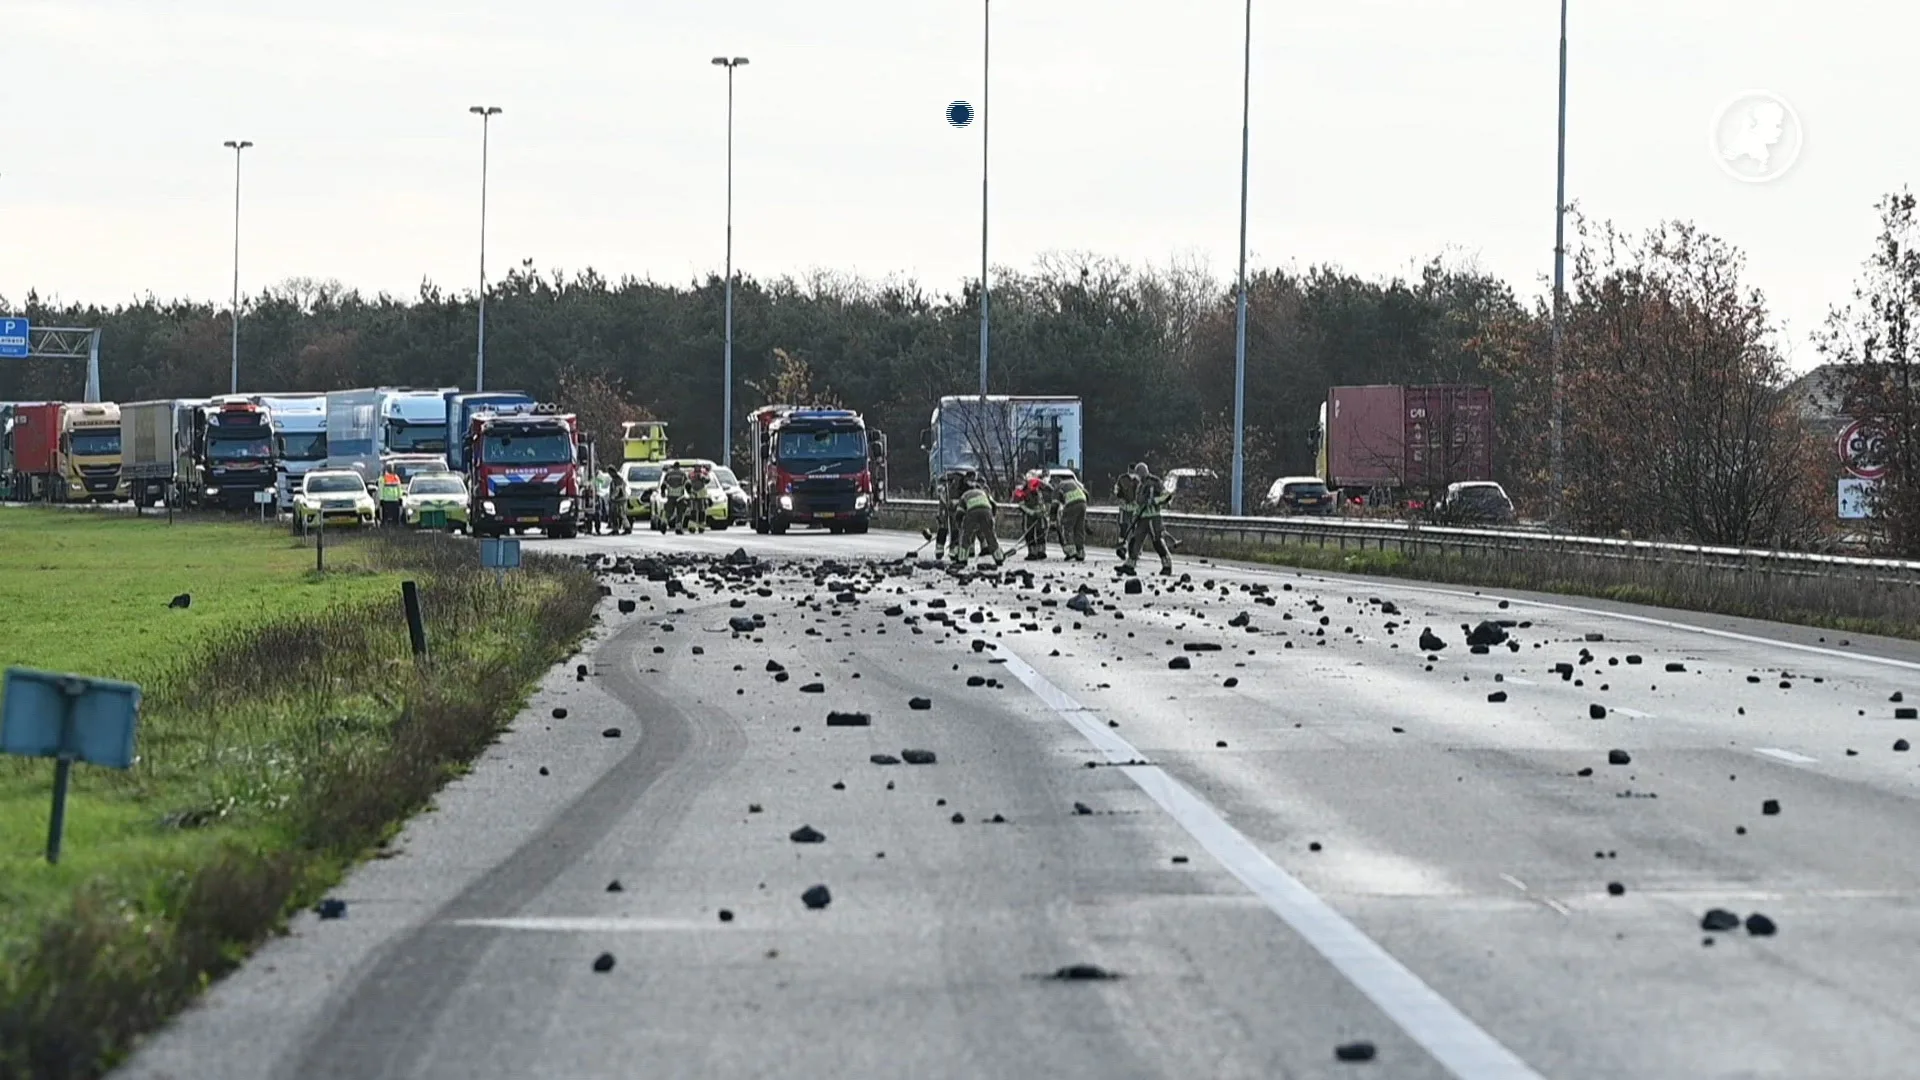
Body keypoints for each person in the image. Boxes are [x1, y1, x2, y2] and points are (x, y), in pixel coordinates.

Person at [1121, 461, 1173, 576]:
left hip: (1153, 517)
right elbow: (1139, 503)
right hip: (1142, 518)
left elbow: (1167, 495)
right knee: (1135, 540)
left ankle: (1167, 564)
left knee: (1157, 541)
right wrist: (1136, 514)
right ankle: (1130, 564)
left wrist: (1155, 501)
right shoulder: (1140, 485)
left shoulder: (1155, 482)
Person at [950, 475, 1005, 568]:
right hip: (987, 511)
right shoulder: (983, 493)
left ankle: (962, 559)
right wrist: (992, 518)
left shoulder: (964, 496)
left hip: (972, 512)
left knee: (966, 536)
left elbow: (959, 513)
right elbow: (994, 505)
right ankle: (999, 558)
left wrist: (960, 525)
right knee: (991, 535)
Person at [1054, 470, 1089, 561]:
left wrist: (1053, 520)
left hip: (1071, 504)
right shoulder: (1073, 482)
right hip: (1083, 502)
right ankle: (1080, 552)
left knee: (1067, 528)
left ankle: (1071, 551)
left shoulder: (1058, 487)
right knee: (1079, 528)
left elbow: (1055, 504)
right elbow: (1086, 493)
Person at [1016, 475, 1051, 560]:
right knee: (1029, 533)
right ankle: (1033, 552)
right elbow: (1022, 505)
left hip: (1039, 514)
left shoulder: (1039, 490)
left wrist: (1043, 512)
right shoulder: (1021, 492)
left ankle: (1041, 551)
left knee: (1040, 532)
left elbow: (1043, 502)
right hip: (1029, 515)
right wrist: (1032, 513)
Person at [1112, 469, 1140, 559]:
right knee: (1131, 529)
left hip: (1126, 507)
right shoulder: (1138, 480)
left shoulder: (1122, 478)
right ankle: (1130, 549)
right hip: (1132, 507)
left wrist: (1119, 497)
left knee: (1125, 528)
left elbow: (1116, 491)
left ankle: (1126, 548)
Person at [660, 462, 690, 532]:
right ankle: (678, 527)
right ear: (679, 467)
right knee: (680, 512)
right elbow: (688, 484)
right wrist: (689, 492)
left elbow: (663, 484)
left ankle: (664, 522)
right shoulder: (682, 474)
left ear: (673, 467)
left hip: (670, 495)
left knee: (668, 511)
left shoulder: (668, 474)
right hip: (680, 496)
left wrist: (663, 492)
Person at [685, 465, 713, 533]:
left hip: (702, 494)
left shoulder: (704, 473)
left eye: (699, 467)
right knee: (693, 510)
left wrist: (703, 478)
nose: (698, 468)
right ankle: (692, 526)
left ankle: (701, 526)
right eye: (696, 467)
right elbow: (688, 481)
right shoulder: (691, 473)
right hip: (693, 493)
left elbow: (708, 480)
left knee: (702, 510)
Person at [605, 465, 630, 535]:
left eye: (609, 472)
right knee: (615, 515)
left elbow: (617, 489)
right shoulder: (616, 478)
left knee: (620, 514)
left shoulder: (618, 479)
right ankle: (616, 528)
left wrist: (612, 497)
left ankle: (626, 528)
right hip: (619, 499)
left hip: (619, 499)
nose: (609, 474)